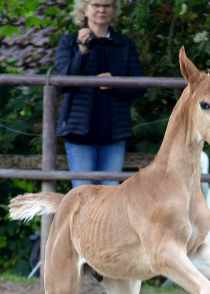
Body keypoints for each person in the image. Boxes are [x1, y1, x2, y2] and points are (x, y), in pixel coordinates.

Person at [55, 0, 146, 187]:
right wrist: (82, 50)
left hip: (114, 135)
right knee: (83, 196)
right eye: (96, 5)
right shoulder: (69, 42)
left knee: (110, 198)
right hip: (79, 135)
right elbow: (63, 84)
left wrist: (115, 83)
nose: (102, 10)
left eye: (108, 5)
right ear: (85, 9)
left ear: (114, 11)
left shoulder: (124, 44)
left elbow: (140, 87)